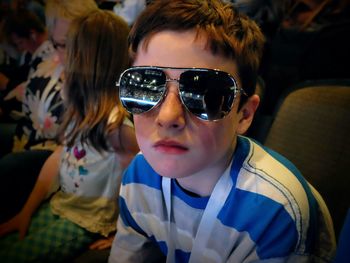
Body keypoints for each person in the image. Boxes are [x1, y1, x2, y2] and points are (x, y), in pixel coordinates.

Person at [108, 0, 336, 262]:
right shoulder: (139, 175)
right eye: (146, 87)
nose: (168, 116)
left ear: (244, 115)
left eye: (204, 92)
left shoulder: (274, 210)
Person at [0, 9, 139, 262]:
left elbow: (143, 180)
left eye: (64, 48)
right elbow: (60, 155)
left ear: (85, 59)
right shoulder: (79, 106)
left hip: (86, 222)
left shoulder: (116, 126)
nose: (57, 55)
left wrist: (129, 231)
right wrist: (27, 210)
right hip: (62, 204)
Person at [0, 0, 98, 223]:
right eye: (54, 43)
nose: (56, 54)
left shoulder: (92, 84)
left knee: (8, 167)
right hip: (32, 134)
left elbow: (71, 145)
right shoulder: (53, 60)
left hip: (54, 149)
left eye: (62, 45)